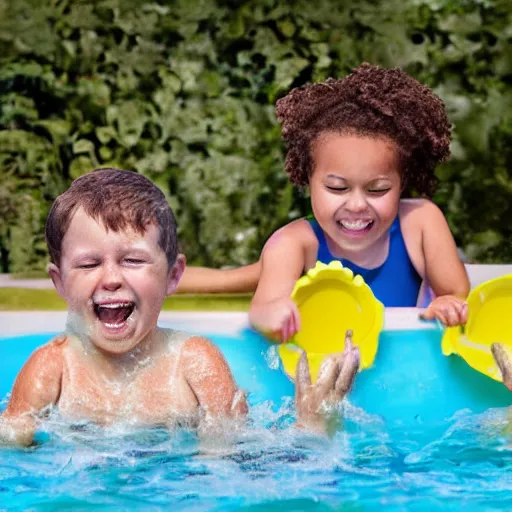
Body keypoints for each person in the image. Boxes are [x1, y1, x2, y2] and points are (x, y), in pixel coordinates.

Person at [0, 168, 359, 447]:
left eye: (133, 260)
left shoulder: (193, 362)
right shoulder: (53, 369)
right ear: (59, 281)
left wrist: (308, 431)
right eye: (89, 264)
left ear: (173, 276)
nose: (110, 279)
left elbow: (236, 461)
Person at [178, 64, 471, 340]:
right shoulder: (293, 244)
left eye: (378, 190)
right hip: (307, 289)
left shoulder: (419, 222)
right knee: (229, 282)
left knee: (234, 280)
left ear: (401, 182)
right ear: (308, 179)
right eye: (337, 187)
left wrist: (449, 305)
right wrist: (272, 314)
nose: (357, 205)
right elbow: (263, 307)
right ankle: (153, 276)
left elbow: (456, 292)